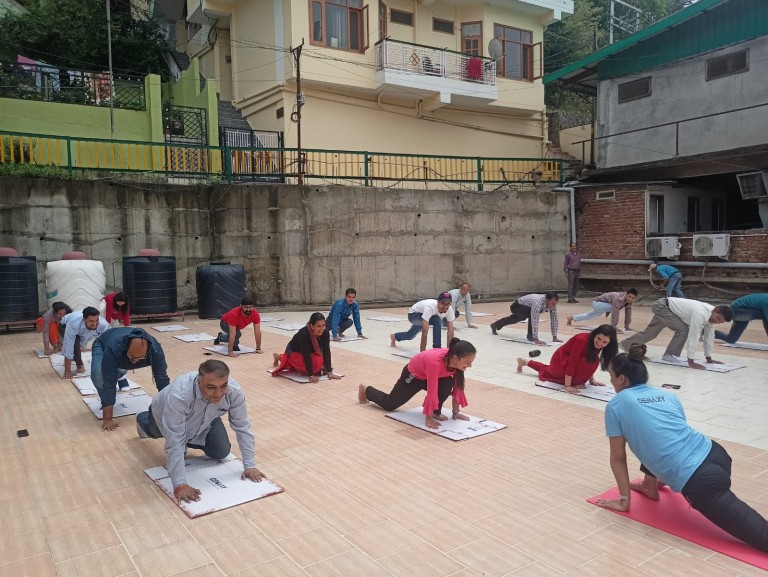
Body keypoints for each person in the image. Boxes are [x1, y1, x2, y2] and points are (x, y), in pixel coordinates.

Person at [595, 343, 768, 552]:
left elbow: (617, 458)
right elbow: (669, 436)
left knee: (762, 536)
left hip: (700, 481)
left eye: (612, 376)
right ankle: (650, 485)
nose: (611, 381)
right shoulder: (667, 395)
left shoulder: (616, 404)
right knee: (657, 437)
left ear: (622, 379)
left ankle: (653, 484)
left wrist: (624, 501)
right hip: (716, 453)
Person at [136, 360, 265, 503]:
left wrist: (250, 465)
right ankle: (142, 419)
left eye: (223, 386)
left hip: (207, 418)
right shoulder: (179, 396)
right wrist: (180, 485)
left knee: (220, 452)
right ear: (199, 382)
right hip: (162, 414)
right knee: (155, 432)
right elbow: (174, 441)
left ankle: (189, 438)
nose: (218, 393)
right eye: (211, 387)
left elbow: (243, 427)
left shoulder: (234, 392)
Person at [358, 338, 476, 430]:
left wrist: (456, 413)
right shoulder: (435, 362)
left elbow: (458, 389)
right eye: (467, 362)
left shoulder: (457, 365)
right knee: (390, 405)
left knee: (447, 383)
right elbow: (432, 392)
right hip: (414, 376)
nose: (470, 366)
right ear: (455, 358)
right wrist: (428, 419)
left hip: (433, 376)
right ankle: (367, 390)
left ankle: (436, 411)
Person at [90, 327, 171, 431]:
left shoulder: (155, 350)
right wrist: (107, 419)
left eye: (140, 358)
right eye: (132, 357)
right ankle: (106, 401)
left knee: (121, 368)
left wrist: (170, 409)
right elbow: (109, 382)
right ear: (126, 347)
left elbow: (162, 379)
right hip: (103, 344)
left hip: (122, 358)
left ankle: (120, 374)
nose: (135, 361)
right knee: (98, 376)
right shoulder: (114, 347)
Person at [620, 297, 732, 369]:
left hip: (667, 308)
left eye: (720, 322)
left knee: (651, 333)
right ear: (715, 310)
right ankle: (669, 354)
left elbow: (709, 337)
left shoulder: (711, 318)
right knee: (684, 330)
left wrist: (709, 358)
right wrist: (691, 361)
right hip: (662, 306)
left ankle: (625, 344)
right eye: (717, 318)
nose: (716, 321)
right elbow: (694, 335)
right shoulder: (701, 313)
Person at [517, 324, 618, 394]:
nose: (600, 343)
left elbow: (591, 358)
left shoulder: (599, 345)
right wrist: (568, 385)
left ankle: (525, 361)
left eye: (604, 342)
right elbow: (572, 362)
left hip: (570, 363)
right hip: (561, 360)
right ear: (595, 334)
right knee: (547, 371)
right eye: (598, 339)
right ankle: (526, 361)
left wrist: (592, 380)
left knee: (595, 360)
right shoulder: (581, 340)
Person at [271, 313, 343, 383]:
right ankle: (281, 357)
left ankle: (292, 364)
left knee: (319, 362)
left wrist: (329, 372)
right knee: (317, 363)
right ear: (312, 326)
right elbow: (306, 354)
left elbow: (326, 351)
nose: (321, 329)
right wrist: (311, 375)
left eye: (323, 325)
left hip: (311, 353)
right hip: (294, 352)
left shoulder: (325, 333)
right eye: (318, 326)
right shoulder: (304, 334)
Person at [490, 292, 562, 346]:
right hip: (517, 306)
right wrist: (536, 339)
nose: (553, 306)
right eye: (552, 303)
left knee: (516, 319)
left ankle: (495, 325)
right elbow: (534, 319)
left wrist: (554, 337)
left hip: (527, 308)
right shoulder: (538, 302)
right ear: (546, 300)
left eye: (555, 304)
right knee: (527, 315)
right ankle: (531, 336)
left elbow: (554, 320)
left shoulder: (553, 305)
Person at [391, 293, 455, 351]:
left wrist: (449, 352)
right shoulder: (430, 307)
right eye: (443, 304)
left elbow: (450, 332)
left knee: (410, 336)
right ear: (438, 302)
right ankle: (437, 349)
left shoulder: (450, 310)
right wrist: (422, 352)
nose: (445, 307)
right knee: (436, 321)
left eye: (448, 304)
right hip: (414, 315)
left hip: (427, 316)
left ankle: (395, 336)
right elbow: (424, 333)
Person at [60, 307, 110, 379]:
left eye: (97, 320)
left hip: (81, 330)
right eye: (91, 321)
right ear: (84, 320)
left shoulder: (103, 324)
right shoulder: (73, 324)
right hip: (63, 325)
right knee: (74, 344)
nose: (95, 323)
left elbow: (106, 343)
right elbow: (68, 346)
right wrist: (67, 370)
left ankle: (76, 355)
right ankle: (79, 364)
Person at [567, 289, 638, 333]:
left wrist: (627, 326)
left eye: (633, 298)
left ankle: (572, 317)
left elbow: (628, 314)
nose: (630, 299)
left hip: (603, 306)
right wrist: (613, 326)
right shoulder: (618, 298)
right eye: (629, 296)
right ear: (626, 294)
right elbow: (615, 312)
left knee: (589, 316)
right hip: (597, 303)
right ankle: (613, 325)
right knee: (614, 307)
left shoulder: (629, 302)